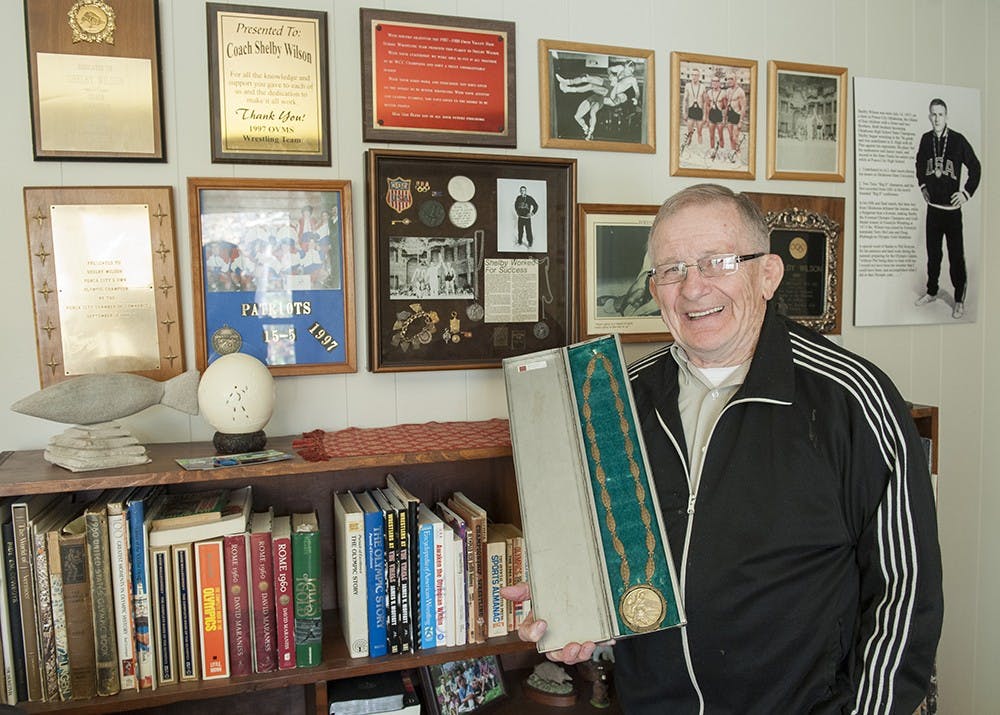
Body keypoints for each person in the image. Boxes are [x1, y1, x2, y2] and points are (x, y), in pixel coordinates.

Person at [502, 184, 943, 714]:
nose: (693, 288)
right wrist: (579, 615)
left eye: (717, 261)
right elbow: (618, 573)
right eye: (671, 269)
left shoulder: (853, 399)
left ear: (768, 275)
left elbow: (906, 595)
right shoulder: (618, 404)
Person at [914, 97, 981, 319]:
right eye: (933, 114)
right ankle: (932, 291)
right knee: (933, 255)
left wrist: (965, 193)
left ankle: (959, 299)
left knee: (956, 257)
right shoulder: (926, 140)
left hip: (952, 213)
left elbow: (976, 167)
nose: (936, 118)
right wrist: (923, 185)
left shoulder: (958, 140)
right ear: (929, 116)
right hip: (933, 209)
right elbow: (919, 164)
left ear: (946, 116)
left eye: (940, 114)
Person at [681, 68, 706, 150]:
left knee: (699, 132)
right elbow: (685, 100)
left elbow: (705, 102)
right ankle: (688, 147)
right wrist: (684, 112)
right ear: (691, 76)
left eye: (696, 75)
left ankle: (700, 148)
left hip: (699, 110)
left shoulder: (702, 87)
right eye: (693, 75)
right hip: (691, 110)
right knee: (689, 132)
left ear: (699, 76)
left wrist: (705, 115)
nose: (694, 77)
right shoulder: (688, 86)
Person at [725, 73, 747, 162]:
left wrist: (741, 121)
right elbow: (727, 104)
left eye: (731, 79)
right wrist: (725, 117)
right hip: (730, 115)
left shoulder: (740, 91)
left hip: (737, 115)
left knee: (735, 137)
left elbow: (743, 107)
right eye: (728, 79)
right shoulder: (728, 91)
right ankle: (733, 154)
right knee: (730, 137)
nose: (729, 80)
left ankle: (738, 155)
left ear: (735, 79)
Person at [704, 75, 726, 160]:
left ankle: (722, 151)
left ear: (719, 83)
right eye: (713, 81)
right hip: (711, 115)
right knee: (711, 135)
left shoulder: (723, 93)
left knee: (720, 135)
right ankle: (712, 151)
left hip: (719, 114)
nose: (714, 83)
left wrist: (724, 119)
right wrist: (706, 117)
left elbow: (725, 107)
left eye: (716, 81)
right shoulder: (709, 92)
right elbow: (707, 105)